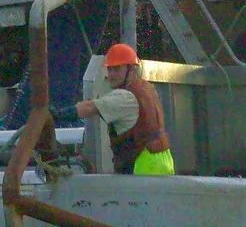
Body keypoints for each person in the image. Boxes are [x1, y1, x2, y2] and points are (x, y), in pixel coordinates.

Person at [55, 43, 175, 175]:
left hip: (142, 166)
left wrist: (57, 115)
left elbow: (89, 107)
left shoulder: (125, 96)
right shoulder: (147, 89)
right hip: (161, 161)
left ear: (132, 69)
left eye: (117, 69)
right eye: (109, 69)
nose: (111, 74)